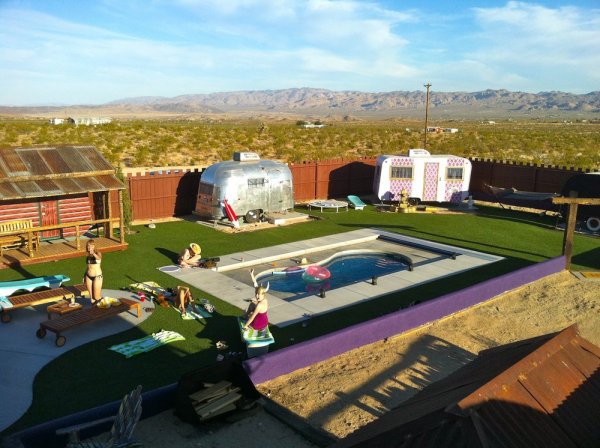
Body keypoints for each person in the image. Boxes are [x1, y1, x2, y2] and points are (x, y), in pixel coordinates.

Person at [83, 239, 103, 305]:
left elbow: (98, 258)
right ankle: (95, 312)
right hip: (88, 277)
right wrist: (84, 276)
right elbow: (88, 267)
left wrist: (93, 253)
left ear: (94, 246)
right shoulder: (88, 255)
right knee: (91, 298)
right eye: (88, 246)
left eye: (91, 246)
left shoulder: (98, 253)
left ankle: (103, 305)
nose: (90, 247)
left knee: (97, 297)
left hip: (97, 277)